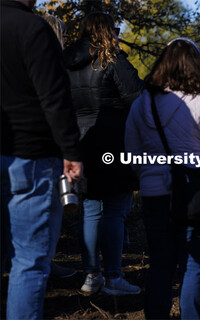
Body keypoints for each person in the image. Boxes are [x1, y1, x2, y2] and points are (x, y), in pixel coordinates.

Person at [125, 38, 200, 319]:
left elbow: (131, 151)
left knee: (160, 263)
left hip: (154, 195)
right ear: (196, 65)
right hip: (198, 194)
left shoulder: (142, 103)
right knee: (194, 266)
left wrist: (148, 177)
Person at [1, 0, 83, 319]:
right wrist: (71, 152)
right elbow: (55, 98)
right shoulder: (33, 28)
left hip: (24, 157)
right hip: (29, 158)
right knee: (29, 262)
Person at [63, 12, 143, 295]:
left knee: (91, 210)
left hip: (80, 144)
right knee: (115, 212)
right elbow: (138, 99)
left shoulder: (66, 61)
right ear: (107, 31)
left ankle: (91, 275)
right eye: (116, 29)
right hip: (113, 143)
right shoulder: (112, 60)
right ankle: (113, 277)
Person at [42, 13, 78, 280]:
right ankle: (43, 264)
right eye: (63, 35)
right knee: (48, 217)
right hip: (49, 152)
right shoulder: (54, 68)